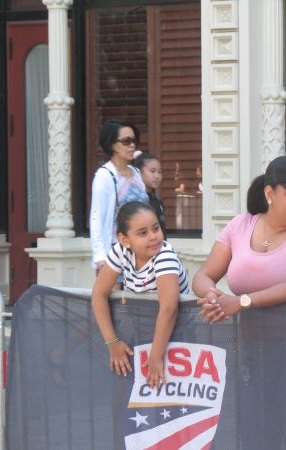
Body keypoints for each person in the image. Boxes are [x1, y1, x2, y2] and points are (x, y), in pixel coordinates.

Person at [193, 155, 286, 449]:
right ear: (270, 193)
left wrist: (242, 302)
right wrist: (212, 296)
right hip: (254, 356)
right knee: (257, 438)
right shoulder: (239, 226)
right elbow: (204, 275)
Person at [91, 201, 189, 388]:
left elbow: (169, 308)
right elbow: (99, 294)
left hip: (176, 336)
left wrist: (155, 356)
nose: (153, 237)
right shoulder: (119, 251)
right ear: (124, 239)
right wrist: (113, 343)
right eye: (143, 233)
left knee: (169, 397)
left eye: (156, 228)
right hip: (138, 331)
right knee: (124, 392)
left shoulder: (165, 256)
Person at [90, 119, 149, 276]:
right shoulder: (105, 176)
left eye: (133, 141)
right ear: (112, 145)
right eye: (126, 141)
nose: (132, 145)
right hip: (116, 254)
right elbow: (97, 218)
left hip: (140, 253)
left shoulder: (136, 173)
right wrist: (100, 257)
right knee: (115, 300)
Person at [133, 152, 167, 239]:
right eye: (152, 171)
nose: (157, 176)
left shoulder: (157, 198)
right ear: (139, 172)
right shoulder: (135, 200)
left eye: (160, 172)